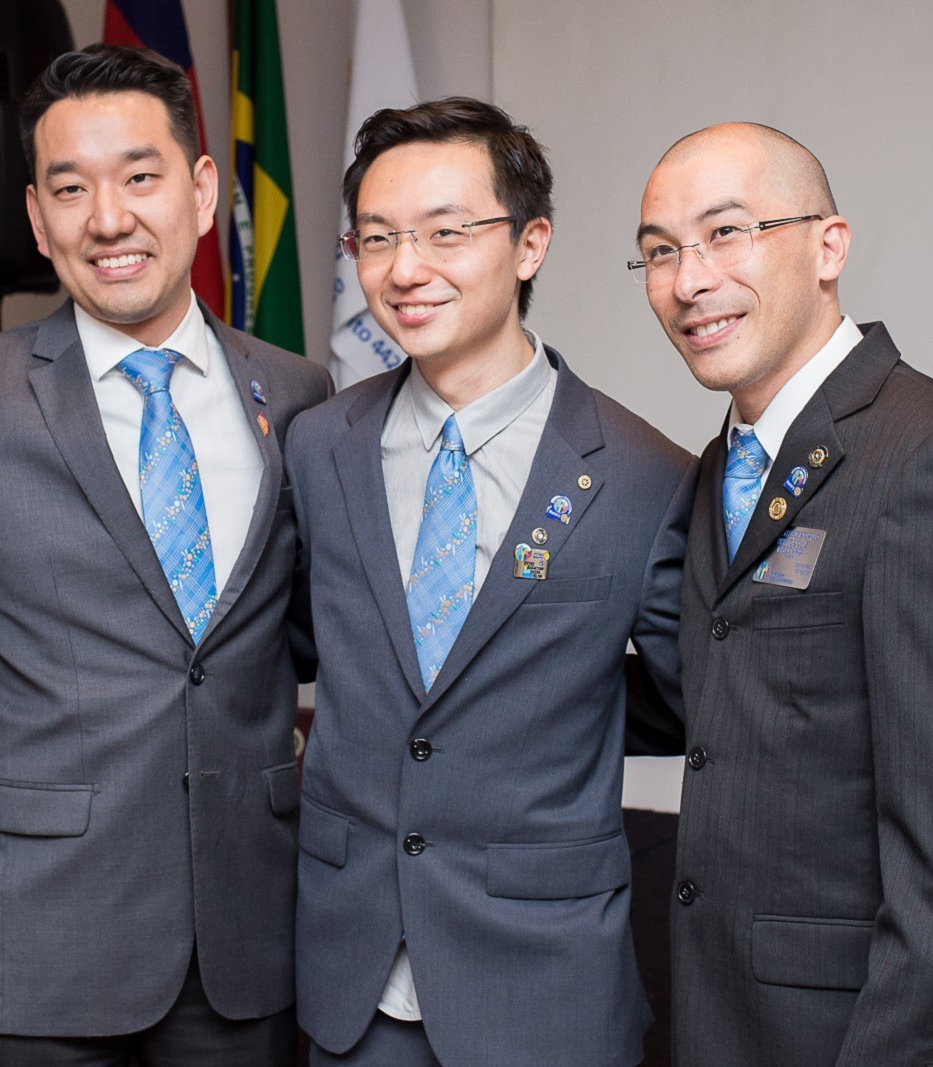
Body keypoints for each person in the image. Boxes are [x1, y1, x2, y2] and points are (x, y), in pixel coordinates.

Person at [0, 44, 329, 1067]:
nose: (108, 218)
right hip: (30, 948)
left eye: (139, 176)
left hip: (248, 935)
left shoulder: (301, 394)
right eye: (71, 188)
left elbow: (314, 633)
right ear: (39, 221)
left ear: (201, 190)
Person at [285, 97, 694, 1067]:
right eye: (376, 237)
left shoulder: (644, 475)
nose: (404, 268)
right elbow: (304, 638)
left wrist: (553, 713)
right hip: (350, 969)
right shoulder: (318, 444)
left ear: (529, 243)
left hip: (542, 973)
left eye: (445, 232)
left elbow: (694, 701)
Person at [635, 122, 933, 1066]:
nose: (689, 280)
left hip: (866, 1031)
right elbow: (719, 695)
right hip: (730, 1012)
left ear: (829, 247)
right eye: (660, 251)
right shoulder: (723, 467)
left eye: (726, 233)